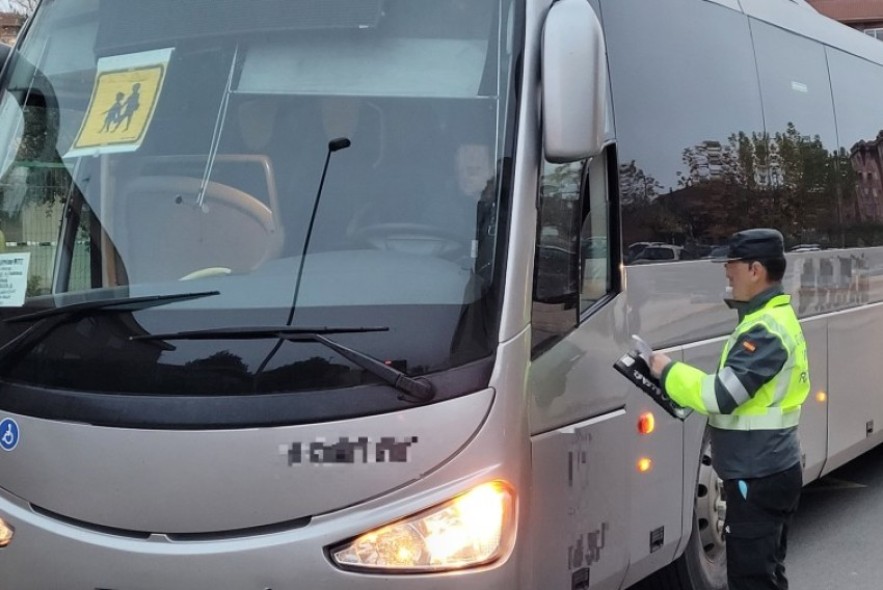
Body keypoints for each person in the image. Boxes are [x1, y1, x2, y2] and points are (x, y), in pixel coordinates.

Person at [648, 228, 810, 590]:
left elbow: (722, 395)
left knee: (752, 579)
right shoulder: (769, 319)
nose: (725, 271)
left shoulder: (764, 331)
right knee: (767, 573)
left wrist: (667, 371)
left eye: (731, 264)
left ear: (755, 270)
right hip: (770, 468)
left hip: (759, 474)